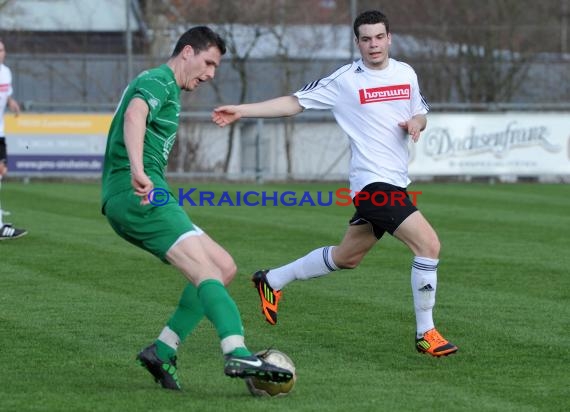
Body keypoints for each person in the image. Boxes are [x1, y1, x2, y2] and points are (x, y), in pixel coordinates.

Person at [212, 10, 458, 358]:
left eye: (378, 37)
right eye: (365, 39)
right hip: (372, 184)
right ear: (357, 42)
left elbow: (420, 111)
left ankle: (272, 280)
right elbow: (294, 103)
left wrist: (417, 123)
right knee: (428, 245)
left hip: (395, 182)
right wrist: (242, 109)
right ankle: (426, 333)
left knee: (347, 257)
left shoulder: (406, 73)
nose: (373, 45)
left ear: (389, 38)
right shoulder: (345, 80)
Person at [101, 26, 293, 391]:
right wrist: (139, 171)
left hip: (147, 193)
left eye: (216, 67)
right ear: (186, 52)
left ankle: (162, 350)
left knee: (223, 267)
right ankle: (236, 349)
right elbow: (134, 115)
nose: (210, 74)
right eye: (208, 63)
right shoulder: (159, 80)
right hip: (139, 194)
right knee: (205, 268)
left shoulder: (165, 85)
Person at [0, 39, 27, 240]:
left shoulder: (6, 72)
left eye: (1, 49)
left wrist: (11, 102)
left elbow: (6, 94)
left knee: (2, 172)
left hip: (0, 131)